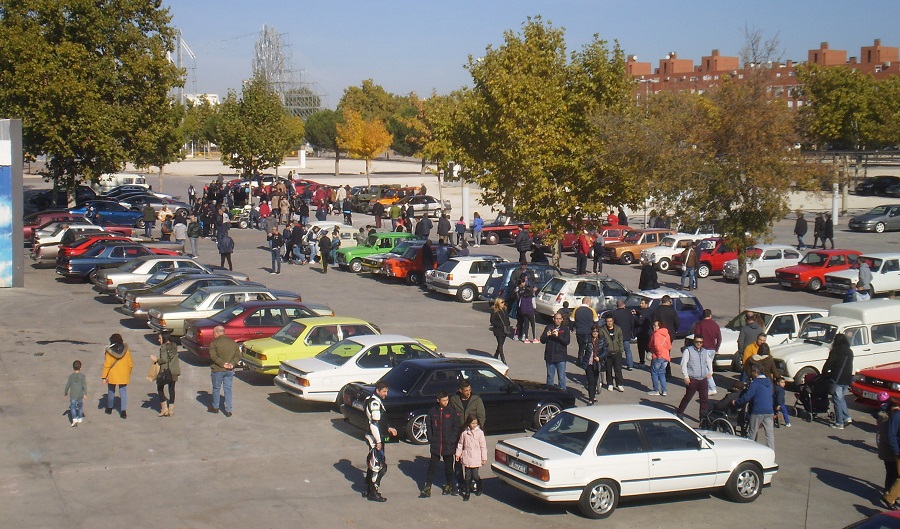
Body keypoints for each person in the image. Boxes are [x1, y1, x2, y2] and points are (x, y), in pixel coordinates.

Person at [420, 391, 461, 498]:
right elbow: (428, 425)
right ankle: (427, 487)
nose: (446, 402)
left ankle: (449, 485)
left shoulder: (452, 412)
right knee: (432, 467)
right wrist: (431, 437)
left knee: (449, 468)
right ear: (438, 400)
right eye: (443, 400)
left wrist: (452, 439)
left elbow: (456, 426)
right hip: (436, 445)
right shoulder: (433, 411)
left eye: (447, 400)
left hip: (448, 445)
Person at [364, 382, 397, 502]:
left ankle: (368, 489)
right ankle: (373, 492)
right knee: (379, 467)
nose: (386, 394)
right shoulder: (374, 402)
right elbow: (374, 424)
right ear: (378, 390)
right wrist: (378, 441)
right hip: (375, 439)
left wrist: (388, 428)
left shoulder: (372, 399)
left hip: (376, 437)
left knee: (373, 465)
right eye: (384, 391)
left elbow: (380, 421)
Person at [733, 366, 775, 449]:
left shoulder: (755, 383)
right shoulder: (769, 382)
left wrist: (737, 402)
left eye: (752, 372)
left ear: (755, 372)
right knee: (769, 434)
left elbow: (747, 397)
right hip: (769, 410)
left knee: (752, 432)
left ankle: (750, 450)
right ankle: (771, 451)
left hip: (758, 411)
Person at [676, 334, 713, 420]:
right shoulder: (688, 351)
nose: (699, 344)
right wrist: (686, 377)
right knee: (688, 397)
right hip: (692, 379)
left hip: (703, 379)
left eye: (701, 342)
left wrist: (710, 372)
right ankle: (680, 412)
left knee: (704, 400)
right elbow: (683, 364)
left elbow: (709, 361)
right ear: (694, 341)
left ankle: (703, 419)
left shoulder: (705, 351)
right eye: (697, 342)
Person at [823, 333, 854, 429]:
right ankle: (846, 417)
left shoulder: (835, 351)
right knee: (841, 398)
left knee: (837, 399)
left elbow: (829, 364)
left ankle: (839, 422)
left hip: (837, 378)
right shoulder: (849, 351)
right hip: (847, 378)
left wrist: (824, 373)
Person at [208, 325, 240, 417]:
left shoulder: (214, 343)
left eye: (214, 333)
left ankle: (215, 407)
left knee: (216, 388)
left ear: (218, 332)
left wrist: (223, 364)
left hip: (217, 370)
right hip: (230, 370)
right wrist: (232, 364)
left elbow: (213, 357)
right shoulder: (232, 342)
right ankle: (228, 409)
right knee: (228, 389)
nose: (213, 335)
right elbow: (237, 355)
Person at [455, 415, 487, 501]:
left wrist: (484, 458)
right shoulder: (465, 433)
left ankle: (479, 485)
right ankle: (467, 492)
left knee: (475, 475)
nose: (474, 425)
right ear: (469, 423)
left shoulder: (480, 433)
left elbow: (483, 446)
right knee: (467, 476)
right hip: (467, 456)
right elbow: (460, 444)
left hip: (476, 457)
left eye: (476, 423)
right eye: (472, 423)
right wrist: (458, 454)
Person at [101, 333, 134, 419]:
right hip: (124, 374)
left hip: (112, 375)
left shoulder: (109, 351)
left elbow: (107, 365)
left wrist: (104, 377)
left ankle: (109, 408)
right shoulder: (126, 350)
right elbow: (130, 364)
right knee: (123, 392)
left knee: (111, 391)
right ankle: (123, 411)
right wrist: (128, 373)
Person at [692, 309, 722, 395]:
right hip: (712, 349)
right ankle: (706, 386)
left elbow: (696, 337)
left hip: (703, 349)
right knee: (708, 368)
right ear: (710, 315)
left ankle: (712, 387)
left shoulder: (700, 324)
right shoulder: (715, 325)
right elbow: (719, 338)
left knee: (705, 369)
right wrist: (716, 348)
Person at [150, 331, 180, 417]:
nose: (158, 340)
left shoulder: (163, 347)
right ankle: (171, 409)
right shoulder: (174, 346)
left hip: (166, 371)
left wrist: (155, 359)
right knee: (171, 388)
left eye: (160, 338)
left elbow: (163, 359)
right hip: (174, 370)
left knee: (160, 388)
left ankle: (164, 409)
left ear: (164, 338)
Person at [874, 392, 898, 494]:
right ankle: (889, 494)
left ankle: (889, 492)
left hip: (887, 449)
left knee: (891, 473)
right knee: (893, 473)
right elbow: (891, 437)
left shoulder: (885, 417)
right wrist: (897, 451)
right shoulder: (891, 418)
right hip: (891, 451)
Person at [540, 312, 570, 390]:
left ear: (562, 320)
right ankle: (550, 393)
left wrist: (558, 336)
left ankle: (563, 394)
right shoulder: (549, 327)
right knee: (550, 377)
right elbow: (542, 340)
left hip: (561, 357)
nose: (558, 320)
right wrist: (546, 335)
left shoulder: (565, 329)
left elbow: (566, 341)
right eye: (556, 318)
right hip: (550, 357)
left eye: (560, 319)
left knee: (562, 377)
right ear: (553, 319)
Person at [580, 324, 607, 404]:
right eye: (593, 331)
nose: (595, 333)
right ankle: (591, 399)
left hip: (597, 363)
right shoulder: (587, 339)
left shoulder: (602, 340)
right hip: (588, 363)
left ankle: (593, 396)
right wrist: (581, 360)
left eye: (597, 331)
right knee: (591, 381)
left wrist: (600, 357)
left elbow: (605, 351)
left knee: (595, 380)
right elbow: (582, 350)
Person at [648, 320, 671, 396]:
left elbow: (656, 345)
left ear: (659, 326)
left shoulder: (656, 334)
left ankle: (656, 390)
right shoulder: (667, 334)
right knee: (662, 373)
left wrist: (658, 354)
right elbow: (669, 346)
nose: (654, 327)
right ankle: (664, 391)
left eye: (655, 325)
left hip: (658, 356)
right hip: (666, 356)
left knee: (654, 372)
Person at [611, 299, 636, 370]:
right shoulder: (628, 313)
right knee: (627, 350)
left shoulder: (614, 313)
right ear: (623, 305)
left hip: (617, 334)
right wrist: (631, 331)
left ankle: (617, 364)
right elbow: (632, 323)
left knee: (617, 351)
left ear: (617, 306)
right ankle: (630, 365)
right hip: (626, 334)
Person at [603, 315, 625, 392]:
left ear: (613, 321)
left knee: (618, 369)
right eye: (608, 321)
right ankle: (610, 384)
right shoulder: (602, 330)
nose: (609, 323)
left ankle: (619, 384)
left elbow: (621, 339)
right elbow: (601, 341)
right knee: (608, 369)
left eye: (610, 321)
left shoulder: (618, 329)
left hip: (617, 352)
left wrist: (621, 349)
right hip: (607, 353)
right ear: (606, 321)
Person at [65, 360, 87, 426]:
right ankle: (80, 417)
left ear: (73, 368)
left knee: (73, 406)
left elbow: (68, 385)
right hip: (80, 395)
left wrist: (65, 392)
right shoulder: (82, 376)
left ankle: (74, 418)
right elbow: (84, 385)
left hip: (73, 395)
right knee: (80, 407)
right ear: (80, 368)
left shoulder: (71, 376)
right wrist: (85, 394)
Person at [516, 278, 537, 343]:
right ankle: (534, 338)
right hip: (530, 312)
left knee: (526, 325)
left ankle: (526, 338)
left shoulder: (522, 297)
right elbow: (534, 306)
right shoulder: (532, 298)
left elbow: (519, 305)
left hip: (524, 312)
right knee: (533, 324)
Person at [635, 298, 655, 365]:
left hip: (642, 332)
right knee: (648, 346)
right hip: (649, 332)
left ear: (646, 304)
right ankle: (653, 359)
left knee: (641, 348)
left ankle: (642, 362)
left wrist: (635, 317)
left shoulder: (644, 312)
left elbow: (640, 322)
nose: (640, 304)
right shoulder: (651, 311)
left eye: (642, 303)